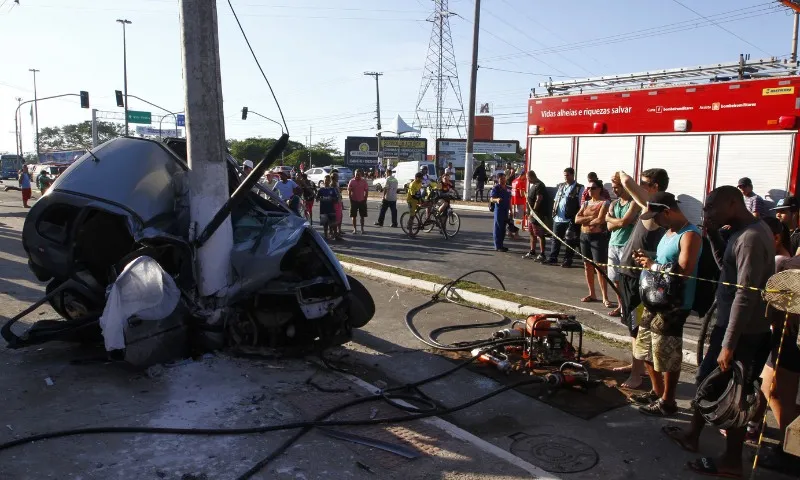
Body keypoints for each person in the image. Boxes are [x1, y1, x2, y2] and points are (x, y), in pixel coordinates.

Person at [665, 186, 774, 478]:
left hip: (742, 332)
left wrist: (729, 343)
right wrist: (712, 233)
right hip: (730, 326)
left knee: (733, 395)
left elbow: (745, 294)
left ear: (732, 203)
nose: (706, 213)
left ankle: (731, 461)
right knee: (707, 382)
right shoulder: (741, 232)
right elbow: (724, 266)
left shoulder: (750, 238)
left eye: (711, 207)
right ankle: (693, 435)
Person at [631, 192, 702, 417]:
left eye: (657, 216)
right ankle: (657, 391)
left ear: (667, 211)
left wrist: (651, 265)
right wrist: (647, 259)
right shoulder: (668, 232)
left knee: (666, 352)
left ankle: (668, 401)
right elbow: (664, 262)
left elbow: (684, 270)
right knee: (647, 347)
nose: (655, 222)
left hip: (674, 303)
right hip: (655, 300)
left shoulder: (690, 234)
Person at [615, 168, 668, 389]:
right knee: (632, 325)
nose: (640, 185)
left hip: (638, 277)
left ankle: (637, 375)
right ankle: (635, 366)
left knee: (638, 327)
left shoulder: (653, 208)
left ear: (654, 187)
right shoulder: (649, 209)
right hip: (629, 275)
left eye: (644, 182)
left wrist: (619, 173)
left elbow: (626, 181)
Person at [758, 216, 800, 472]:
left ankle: (791, 451)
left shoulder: (787, 262)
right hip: (787, 333)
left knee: (777, 391)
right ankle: (789, 444)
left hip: (791, 336)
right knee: (770, 388)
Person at [605, 177, 641, 317]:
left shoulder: (634, 203)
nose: (614, 190)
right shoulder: (614, 203)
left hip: (627, 245)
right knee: (615, 278)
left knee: (628, 279)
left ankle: (628, 308)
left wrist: (610, 219)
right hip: (613, 244)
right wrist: (614, 221)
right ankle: (621, 306)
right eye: (613, 187)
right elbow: (609, 227)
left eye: (617, 187)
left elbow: (624, 223)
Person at [575, 180, 612, 306]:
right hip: (584, 236)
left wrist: (585, 220)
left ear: (600, 189)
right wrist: (590, 218)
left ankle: (605, 297)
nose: (590, 190)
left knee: (600, 267)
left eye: (593, 188)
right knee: (587, 265)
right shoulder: (586, 203)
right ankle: (592, 293)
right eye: (588, 188)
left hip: (597, 237)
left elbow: (600, 220)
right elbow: (576, 219)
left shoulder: (604, 203)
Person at [546, 167, 584, 267]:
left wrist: (577, 217)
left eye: (567, 175)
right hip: (558, 218)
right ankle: (553, 258)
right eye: (564, 175)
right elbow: (556, 200)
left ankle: (567, 260)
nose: (565, 177)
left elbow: (581, 204)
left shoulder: (579, 188)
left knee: (570, 241)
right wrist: (554, 213)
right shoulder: (561, 186)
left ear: (572, 175)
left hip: (570, 219)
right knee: (555, 239)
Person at [523, 170, 548, 261]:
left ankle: (542, 254)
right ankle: (532, 251)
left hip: (537, 215)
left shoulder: (540, 185)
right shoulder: (533, 186)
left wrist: (534, 211)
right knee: (531, 233)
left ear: (532, 176)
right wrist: (528, 211)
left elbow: (539, 198)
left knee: (540, 234)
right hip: (531, 215)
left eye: (528, 178)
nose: (528, 181)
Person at [490, 172, 511, 252]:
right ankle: (497, 246)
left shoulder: (508, 188)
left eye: (504, 178)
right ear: (498, 179)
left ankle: (501, 245)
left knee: (503, 229)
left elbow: (509, 200)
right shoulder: (496, 188)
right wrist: (497, 199)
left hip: (506, 210)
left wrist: (511, 210)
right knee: (498, 228)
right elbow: (491, 199)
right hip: (499, 210)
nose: (503, 180)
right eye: (501, 178)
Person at [348, 168, 369, 234]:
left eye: (359, 175)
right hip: (354, 201)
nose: (357, 176)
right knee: (354, 216)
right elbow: (349, 190)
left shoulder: (364, 181)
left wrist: (365, 199)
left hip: (362, 201)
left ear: (361, 175)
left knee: (362, 216)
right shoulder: (351, 181)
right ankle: (355, 229)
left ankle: (362, 229)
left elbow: (366, 190)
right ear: (354, 174)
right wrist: (350, 198)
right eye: (356, 174)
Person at [317, 175, 338, 240]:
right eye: (326, 180)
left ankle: (335, 235)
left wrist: (332, 198)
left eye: (328, 180)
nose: (327, 181)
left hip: (331, 209)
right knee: (325, 224)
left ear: (330, 181)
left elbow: (336, 199)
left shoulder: (333, 189)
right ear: (323, 181)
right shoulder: (321, 190)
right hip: (323, 210)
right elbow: (317, 199)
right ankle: (326, 236)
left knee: (333, 223)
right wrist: (320, 198)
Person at [331, 171, 343, 239]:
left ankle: (336, 233)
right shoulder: (332, 185)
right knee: (335, 219)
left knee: (338, 218)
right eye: (337, 177)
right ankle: (335, 234)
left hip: (338, 203)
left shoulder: (335, 184)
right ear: (334, 178)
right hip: (335, 204)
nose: (338, 178)